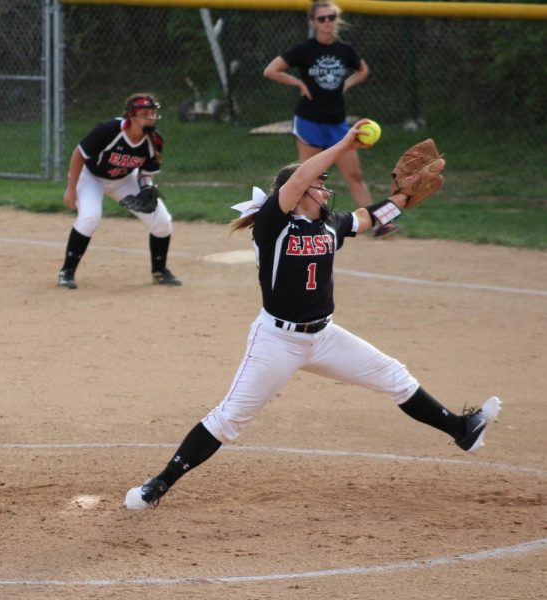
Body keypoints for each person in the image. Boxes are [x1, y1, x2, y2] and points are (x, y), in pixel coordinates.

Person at [124, 120, 500, 510]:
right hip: (277, 341)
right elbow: (303, 173)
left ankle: (462, 429)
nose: (324, 188)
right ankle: (159, 484)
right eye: (320, 184)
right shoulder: (273, 225)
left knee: (395, 377)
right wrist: (345, 143)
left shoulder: (328, 225)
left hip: (324, 337)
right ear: (299, 191)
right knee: (230, 418)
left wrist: (400, 201)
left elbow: (366, 218)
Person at [263, 1, 398, 238]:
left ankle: (379, 223)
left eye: (331, 16)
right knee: (307, 176)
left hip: (337, 122)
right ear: (313, 22)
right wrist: (298, 82)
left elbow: (363, 70)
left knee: (354, 175)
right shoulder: (304, 50)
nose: (327, 22)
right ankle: (303, 222)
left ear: (337, 19)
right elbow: (271, 70)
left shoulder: (345, 50)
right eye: (322, 18)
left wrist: (348, 82)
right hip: (309, 121)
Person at [57, 93, 181, 289]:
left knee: (162, 221)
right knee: (90, 217)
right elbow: (78, 155)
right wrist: (71, 189)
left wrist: (147, 187)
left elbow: (146, 172)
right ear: (131, 116)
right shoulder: (109, 130)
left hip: (123, 180)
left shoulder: (154, 141)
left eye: (153, 114)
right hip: (91, 177)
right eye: (145, 114)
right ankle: (67, 272)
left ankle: (160, 271)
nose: (151, 118)